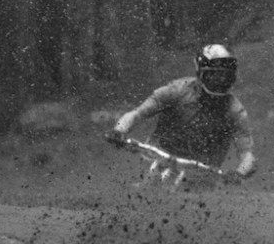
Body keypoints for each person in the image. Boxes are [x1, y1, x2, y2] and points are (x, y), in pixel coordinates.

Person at [108, 43, 256, 180]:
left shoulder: (235, 111)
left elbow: (247, 156)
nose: (221, 82)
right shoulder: (176, 91)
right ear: (201, 73)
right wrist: (119, 130)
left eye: (226, 77)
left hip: (202, 175)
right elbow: (136, 114)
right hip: (158, 160)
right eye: (215, 75)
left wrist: (239, 174)